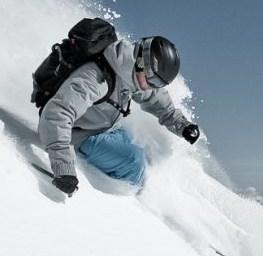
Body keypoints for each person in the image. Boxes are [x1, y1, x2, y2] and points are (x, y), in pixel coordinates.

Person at [39, 33, 201, 195]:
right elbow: (57, 113)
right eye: (154, 82)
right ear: (141, 63)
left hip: (105, 128)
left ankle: (139, 185)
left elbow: (155, 99)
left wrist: (182, 125)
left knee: (144, 153)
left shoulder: (132, 74)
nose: (153, 87)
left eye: (159, 84)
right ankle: (132, 203)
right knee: (134, 163)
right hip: (80, 135)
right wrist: (63, 168)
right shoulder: (95, 79)